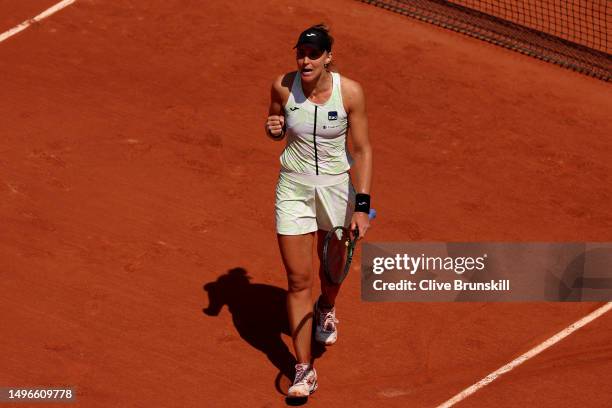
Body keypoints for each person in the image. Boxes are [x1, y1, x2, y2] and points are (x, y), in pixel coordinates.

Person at [264, 24, 372, 398]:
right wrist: (274, 128)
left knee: (334, 266)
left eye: (313, 54)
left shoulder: (350, 93)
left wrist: (362, 206)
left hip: (335, 190)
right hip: (293, 188)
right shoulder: (282, 85)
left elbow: (361, 150)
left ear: (328, 57)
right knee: (297, 281)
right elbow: (275, 125)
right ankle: (303, 369)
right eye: (301, 53)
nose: (305, 60)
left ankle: (327, 305)